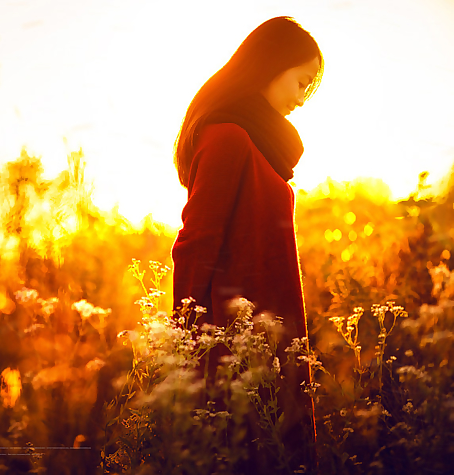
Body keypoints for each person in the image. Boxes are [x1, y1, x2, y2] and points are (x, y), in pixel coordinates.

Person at [171, 16, 324, 474]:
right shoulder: (228, 137)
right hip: (238, 345)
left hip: (271, 340)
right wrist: (186, 347)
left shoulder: (255, 143)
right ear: (270, 66)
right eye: (301, 82)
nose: (302, 97)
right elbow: (194, 245)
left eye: (309, 87)